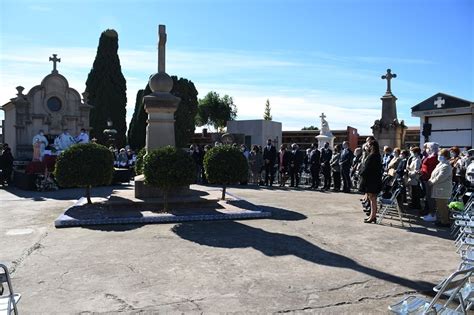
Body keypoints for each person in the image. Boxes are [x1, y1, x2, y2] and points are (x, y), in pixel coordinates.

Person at [359, 140, 383, 223]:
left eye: (369, 145)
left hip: (373, 181)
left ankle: (373, 217)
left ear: (372, 146)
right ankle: (372, 216)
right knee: (371, 198)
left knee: (373, 199)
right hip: (372, 180)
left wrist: (361, 173)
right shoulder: (374, 155)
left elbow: (368, 168)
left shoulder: (374, 156)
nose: (367, 147)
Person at [428, 149, 453, 227]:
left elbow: (441, 177)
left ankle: (445, 222)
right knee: (440, 206)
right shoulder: (440, 164)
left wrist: (431, 182)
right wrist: (431, 179)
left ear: (445, 156)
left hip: (442, 189)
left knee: (442, 206)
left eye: (440, 155)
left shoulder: (446, 166)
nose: (439, 157)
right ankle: (442, 220)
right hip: (438, 188)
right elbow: (435, 174)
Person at [420, 142, 440, 221]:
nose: (426, 149)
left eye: (428, 148)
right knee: (428, 197)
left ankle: (432, 215)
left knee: (431, 198)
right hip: (426, 178)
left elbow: (430, 167)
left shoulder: (434, 157)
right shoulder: (430, 156)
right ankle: (431, 213)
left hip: (430, 179)